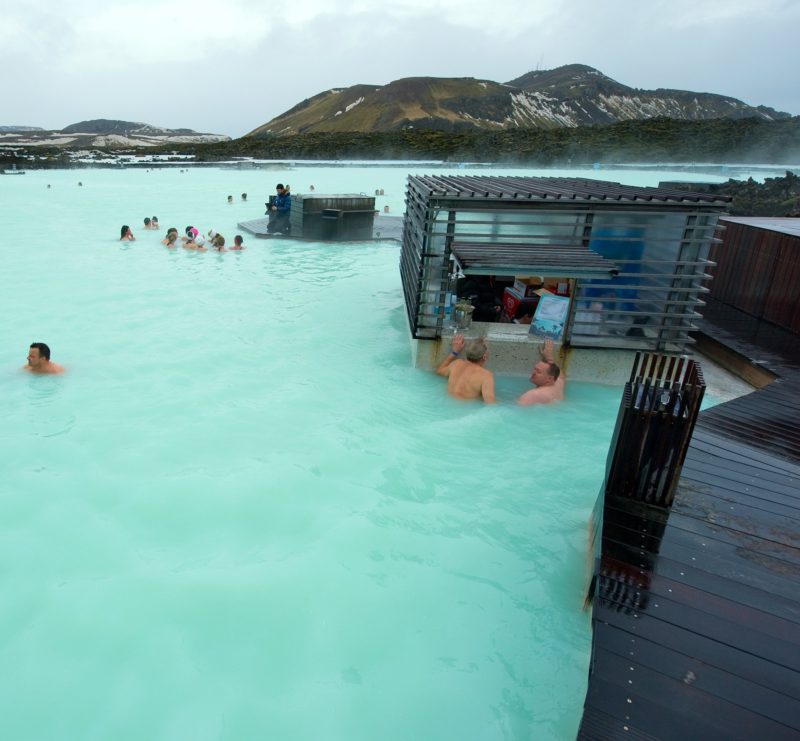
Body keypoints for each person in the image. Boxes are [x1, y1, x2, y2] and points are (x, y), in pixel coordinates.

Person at [435, 333, 495, 404]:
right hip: (464, 411)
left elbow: (439, 371)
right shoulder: (486, 376)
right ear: (485, 356)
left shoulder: (456, 363)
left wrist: (454, 352)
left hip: (446, 403)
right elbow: (491, 406)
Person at [518, 340, 565, 406]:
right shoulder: (557, 385)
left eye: (538, 372)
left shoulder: (532, 395)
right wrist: (549, 358)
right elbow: (561, 376)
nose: (533, 373)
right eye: (535, 369)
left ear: (549, 379)